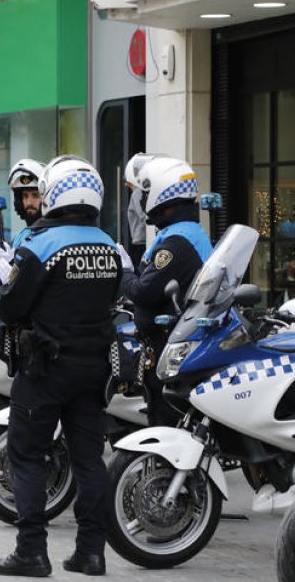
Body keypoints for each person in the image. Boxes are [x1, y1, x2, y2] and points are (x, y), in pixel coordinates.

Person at [0, 156, 122, 578]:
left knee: (27, 455)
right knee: (89, 461)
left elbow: (11, 306)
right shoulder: (109, 244)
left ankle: (31, 552)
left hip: (45, 368)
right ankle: (91, 552)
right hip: (96, 367)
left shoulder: (40, 243)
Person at [118, 156, 213, 426]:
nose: (141, 199)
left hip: (169, 345)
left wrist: (123, 271)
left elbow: (144, 291)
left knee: (165, 422)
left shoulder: (176, 243)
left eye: (145, 193)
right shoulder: (184, 233)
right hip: (170, 342)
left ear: (160, 194)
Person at [123, 152, 157, 268]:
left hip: (141, 242)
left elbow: (143, 216)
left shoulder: (137, 193)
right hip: (143, 240)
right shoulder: (140, 192)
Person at [8, 159, 46, 246]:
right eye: (25, 196)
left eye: (35, 195)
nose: (29, 203)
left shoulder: (53, 236)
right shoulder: (20, 236)